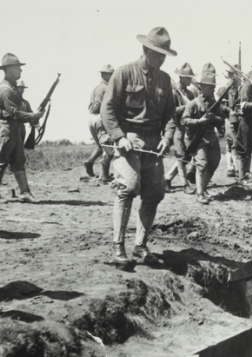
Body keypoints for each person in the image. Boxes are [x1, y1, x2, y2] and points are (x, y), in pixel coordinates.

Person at [101, 27, 177, 265]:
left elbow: (170, 115)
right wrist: (119, 136)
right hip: (128, 139)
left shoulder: (165, 79)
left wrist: (167, 137)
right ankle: (118, 247)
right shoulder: (124, 73)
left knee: (155, 193)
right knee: (129, 186)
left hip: (154, 142)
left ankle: (140, 246)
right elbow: (108, 109)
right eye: (158, 53)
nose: (162, 58)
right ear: (145, 50)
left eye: (165, 54)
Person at [0, 53, 44, 200]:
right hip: (6, 128)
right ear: (9, 69)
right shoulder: (6, 90)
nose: (20, 70)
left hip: (14, 129)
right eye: (17, 67)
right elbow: (14, 112)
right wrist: (33, 116)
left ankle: (24, 192)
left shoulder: (11, 89)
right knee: (1, 160)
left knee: (19, 161)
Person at [181, 63, 224, 204]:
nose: (212, 89)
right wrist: (199, 121)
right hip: (197, 137)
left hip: (211, 136)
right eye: (208, 87)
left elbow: (221, 120)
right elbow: (184, 120)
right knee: (202, 164)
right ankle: (199, 193)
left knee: (214, 162)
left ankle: (203, 187)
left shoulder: (215, 103)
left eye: (213, 87)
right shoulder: (193, 103)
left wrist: (214, 118)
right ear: (201, 87)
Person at [164, 62, 196, 192]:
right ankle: (185, 185)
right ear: (181, 78)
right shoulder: (174, 93)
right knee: (181, 155)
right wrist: (186, 107)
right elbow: (171, 111)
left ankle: (166, 179)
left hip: (188, 128)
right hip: (177, 126)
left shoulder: (190, 93)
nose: (189, 80)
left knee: (186, 157)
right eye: (187, 78)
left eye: (190, 78)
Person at [85, 64, 115, 182]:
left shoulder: (97, 87)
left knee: (100, 146)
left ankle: (89, 161)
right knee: (108, 148)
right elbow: (103, 105)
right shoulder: (106, 88)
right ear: (105, 75)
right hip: (100, 118)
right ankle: (104, 175)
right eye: (111, 75)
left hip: (91, 118)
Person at [219, 65, 241, 178]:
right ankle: (230, 167)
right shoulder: (224, 89)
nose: (233, 78)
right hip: (228, 119)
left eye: (235, 75)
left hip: (238, 119)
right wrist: (229, 110)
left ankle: (235, 167)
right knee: (230, 143)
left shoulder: (240, 89)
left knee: (236, 143)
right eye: (232, 75)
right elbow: (219, 105)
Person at [15, 80, 31, 144]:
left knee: (20, 151)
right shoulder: (10, 101)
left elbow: (31, 114)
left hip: (21, 128)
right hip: (12, 128)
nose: (21, 90)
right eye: (19, 88)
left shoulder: (25, 103)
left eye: (22, 88)